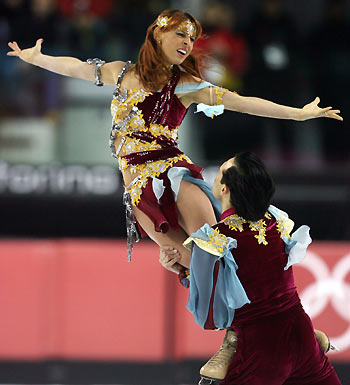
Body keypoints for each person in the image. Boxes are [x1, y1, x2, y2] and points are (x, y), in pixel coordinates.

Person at [7, 8, 342, 382]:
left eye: (191, 38)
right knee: (188, 262)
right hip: (138, 189)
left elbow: (241, 101)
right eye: (180, 34)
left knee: (220, 255)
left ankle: (240, 338)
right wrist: (37, 59)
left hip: (175, 174)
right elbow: (78, 69)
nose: (187, 43)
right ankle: (293, 332)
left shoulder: (185, 84)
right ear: (157, 35)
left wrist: (298, 115)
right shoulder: (122, 72)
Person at [160, 152, 342, 385]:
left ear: (225, 189)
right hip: (304, 337)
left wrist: (182, 270)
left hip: (263, 351)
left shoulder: (214, 241)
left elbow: (211, 318)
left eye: (221, 171)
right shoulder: (276, 221)